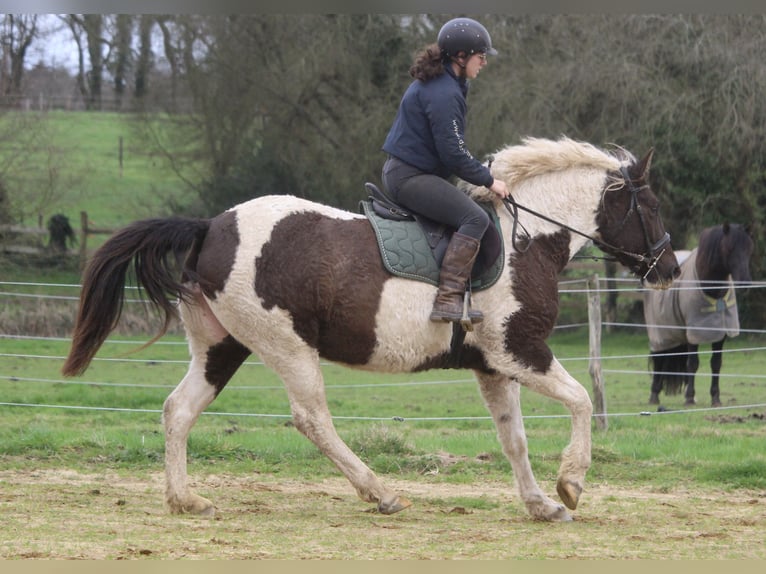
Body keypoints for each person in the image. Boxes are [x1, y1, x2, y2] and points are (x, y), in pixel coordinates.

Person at [381, 17, 509, 325]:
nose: (484, 63)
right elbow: (453, 154)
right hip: (410, 178)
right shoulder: (444, 93)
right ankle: (448, 299)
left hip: (410, 173)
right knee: (474, 218)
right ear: (461, 57)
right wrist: (490, 180)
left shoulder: (445, 85)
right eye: (481, 57)